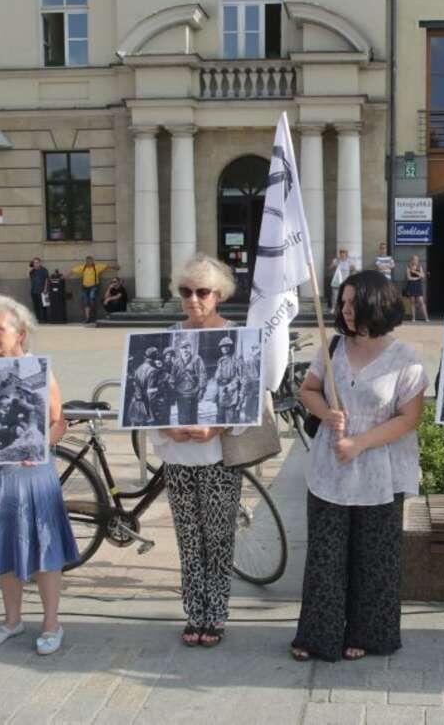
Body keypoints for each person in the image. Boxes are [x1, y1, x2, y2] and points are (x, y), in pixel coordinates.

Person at [292, 270, 427, 662]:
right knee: (325, 556)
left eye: (354, 302)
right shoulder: (332, 346)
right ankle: (318, 635)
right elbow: (308, 390)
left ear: (376, 303)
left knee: (375, 558)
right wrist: (326, 413)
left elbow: (409, 418)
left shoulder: (405, 358)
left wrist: (359, 443)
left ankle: (368, 634)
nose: (346, 310)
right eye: (344, 302)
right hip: (329, 471)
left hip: (381, 473)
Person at [0, 295, 78, 655]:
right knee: (3, 544)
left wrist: (39, 447)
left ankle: (51, 622)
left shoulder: (37, 370)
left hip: (31, 476)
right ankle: (12, 620)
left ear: (20, 333)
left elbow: (58, 421)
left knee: (43, 546)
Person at [149, 254, 249, 648]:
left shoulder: (236, 337)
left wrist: (216, 427)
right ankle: (194, 612)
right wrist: (166, 426)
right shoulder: (168, 336)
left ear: (218, 294)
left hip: (219, 458)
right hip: (178, 457)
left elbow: (246, 397)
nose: (193, 299)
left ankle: (217, 614)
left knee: (219, 538)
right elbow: (153, 396)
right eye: (186, 291)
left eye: (202, 292)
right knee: (188, 538)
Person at [171, 334, 207, 426]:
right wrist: (172, 391)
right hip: (180, 394)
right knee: (182, 418)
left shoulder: (197, 359)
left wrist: (201, 390)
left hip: (193, 393)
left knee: (192, 418)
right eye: (183, 348)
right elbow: (172, 378)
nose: (185, 350)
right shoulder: (177, 362)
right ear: (180, 350)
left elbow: (202, 374)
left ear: (190, 348)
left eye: (187, 347)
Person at [71, 255, 119, 324]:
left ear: (92, 261)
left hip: (93, 287)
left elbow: (106, 267)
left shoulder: (97, 267)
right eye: (87, 261)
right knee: (86, 302)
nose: (89, 262)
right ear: (86, 261)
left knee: (91, 298)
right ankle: (87, 318)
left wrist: (115, 267)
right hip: (85, 287)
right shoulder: (83, 267)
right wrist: (65, 276)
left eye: (90, 261)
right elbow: (73, 271)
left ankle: (93, 316)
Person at [213, 336, 244, 425]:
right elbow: (217, 377)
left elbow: (239, 377)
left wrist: (229, 387)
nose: (225, 348)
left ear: (230, 348)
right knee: (220, 418)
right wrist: (216, 392)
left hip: (231, 392)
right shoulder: (220, 361)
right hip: (220, 392)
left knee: (230, 419)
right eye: (223, 346)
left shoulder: (235, 361)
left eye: (227, 346)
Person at [328, 249, 357, 314]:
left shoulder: (349, 261)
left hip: (345, 281)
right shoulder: (336, 261)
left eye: (344, 255)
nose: (342, 256)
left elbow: (354, 269)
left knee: (346, 296)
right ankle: (333, 308)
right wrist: (333, 264)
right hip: (337, 281)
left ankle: (345, 308)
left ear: (346, 255)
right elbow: (330, 268)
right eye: (341, 255)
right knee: (335, 295)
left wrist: (353, 269)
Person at [406, 255, 428, 322]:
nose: (415, 261)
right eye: (414, 259)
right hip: (411, 285)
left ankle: (426, 318)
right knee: (412, 302)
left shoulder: (419, 266)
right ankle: (413, 318)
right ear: (412, 260)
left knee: (421, 301)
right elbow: (409, 278)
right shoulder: (408, 267)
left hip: (418, 285)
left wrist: (415, 272)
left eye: (417, 259)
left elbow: (423, 276)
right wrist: (417, 278)